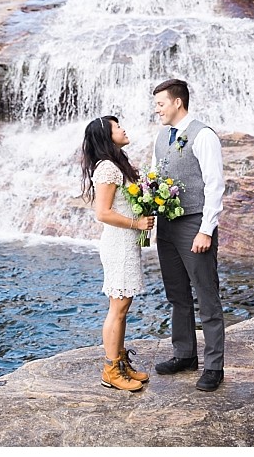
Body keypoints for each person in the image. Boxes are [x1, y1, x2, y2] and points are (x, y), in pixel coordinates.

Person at [152, 78, 226, 392]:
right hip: (166, 227)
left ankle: (214, 367)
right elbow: (154, 176)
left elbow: (215, 185)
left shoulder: (204, 135)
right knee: (177, 295)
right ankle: (184, 354)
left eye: (160, 104)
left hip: (194, 225)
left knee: (206, 297)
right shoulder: (161, 136)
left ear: (177, 102)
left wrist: (205, 230)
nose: (157, 110)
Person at [80, 115, 154, 391]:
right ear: (106, 137)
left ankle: (120, 362)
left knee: (123, 306)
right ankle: (111, 369)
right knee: (118, 308)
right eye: (116, 127)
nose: (123, 128)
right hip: (118, 244)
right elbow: (103, 213)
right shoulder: (107, 169)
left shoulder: (117, 164)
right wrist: (137, 223)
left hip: (126, 243)